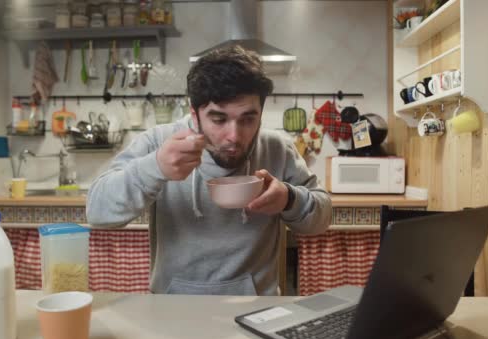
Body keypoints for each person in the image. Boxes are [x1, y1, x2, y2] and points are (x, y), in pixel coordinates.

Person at [86, 46, 332, 296]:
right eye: (218, 119)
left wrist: (289, 199)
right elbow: (96, 211)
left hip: (257, 308)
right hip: (173, 308)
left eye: (248, 119)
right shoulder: (158, 143)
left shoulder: (276, 148)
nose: (234, 136)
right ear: (195, 115)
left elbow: (322, 218)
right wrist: (155, 167)